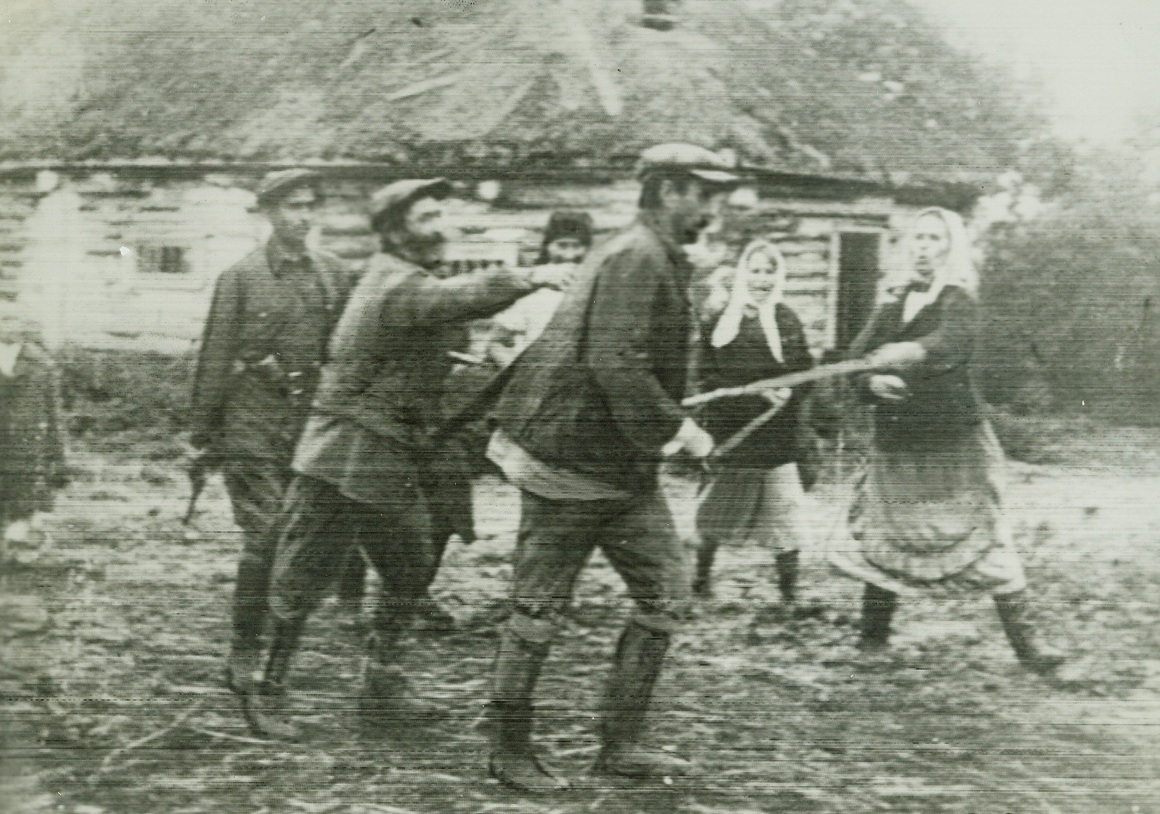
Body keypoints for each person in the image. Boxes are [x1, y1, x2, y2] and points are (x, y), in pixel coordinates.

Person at [250, 178, 569, 739]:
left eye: (441, 216)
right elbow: (448, 300)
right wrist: (532, 276)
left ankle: (382, 687)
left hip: (389, 453)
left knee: (410, 566)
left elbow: (421, 337)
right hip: (344, 452)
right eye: (427, 218)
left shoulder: (406, 277)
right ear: (396, 231)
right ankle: (266, 689)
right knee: (303, 575)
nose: (441, 227)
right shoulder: (396, 281)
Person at [483, 143, 741, 792]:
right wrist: (681, 430)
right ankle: (508, 750)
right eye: (702, 196)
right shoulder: (635, 255)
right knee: (538, 607)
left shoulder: (656, 255)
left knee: (666, 593)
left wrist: (671, 418)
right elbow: (614, 361)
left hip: (621, 467)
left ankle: (620, 745)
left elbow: (637, 361)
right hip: (567, 461)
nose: (711, 211)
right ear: (666, 191)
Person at [829, 207, 1066, 674]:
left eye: (935, 239)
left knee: (985, 534)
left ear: (951, 247)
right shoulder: (892, 305)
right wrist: (870, 382)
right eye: (918, 238)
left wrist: (911, 350)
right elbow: (855, 359)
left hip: (954, 443)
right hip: (898, 443)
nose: (924, 248)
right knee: (886, 534)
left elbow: (953, 341)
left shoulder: (959, 300)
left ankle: (1029, 648)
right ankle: (872, 643)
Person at [188, 169, 356, 709]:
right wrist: (202, 433)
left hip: (310, 429)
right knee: (265, 538)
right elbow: (215, 356)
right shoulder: (241, 278)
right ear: (268, 212)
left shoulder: (334, 275)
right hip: (252, 423)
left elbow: (348, 351)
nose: (302, 216)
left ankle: (279, 652)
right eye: (291, 206)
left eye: (309, 206)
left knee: (302, 541)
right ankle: (244, 648)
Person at [691, 241, 816, 603]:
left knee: (786, 517)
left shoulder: (786, 319)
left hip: (778, 438)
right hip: (734, 434)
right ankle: (700, 580)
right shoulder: (720, 323)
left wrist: (790, 390)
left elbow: (805, 369)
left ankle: (789, 594)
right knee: (716, 514)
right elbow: (708, 379)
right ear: (743, 274)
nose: (762, 279)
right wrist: (756, 394)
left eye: (769, 271)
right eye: (755, 270)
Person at [0, 307, 66, 558]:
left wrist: (57, 456)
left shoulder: (41, 364)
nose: (9, 326)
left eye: (15, 319)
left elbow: (53, 414)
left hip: (24, 446)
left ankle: (17, 548)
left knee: (21, 499)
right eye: (4, 319)